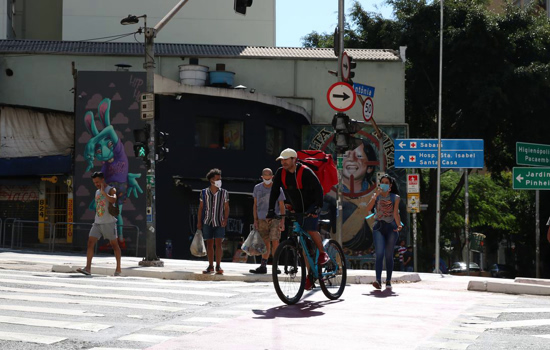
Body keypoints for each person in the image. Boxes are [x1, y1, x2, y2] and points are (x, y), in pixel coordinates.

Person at [267, 148, 330, 291]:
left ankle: (322, 252)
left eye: (286, 159)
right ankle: (310, 276)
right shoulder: (280, 173)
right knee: (302, 246)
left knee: (310, 229)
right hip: (297, 208)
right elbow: (275, 192)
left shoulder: (305, 171)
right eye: (281, 160)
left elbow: (319, 189)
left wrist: (317, 208)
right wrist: (271, 210)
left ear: (294, 160)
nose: (283, 162)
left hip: (312, 205)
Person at [77, 171, 121, 276]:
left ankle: (118, 269)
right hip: (97, 222)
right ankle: (87, 269)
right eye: (94, 182)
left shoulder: (110, 189)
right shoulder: (96, 192)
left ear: (102, 179)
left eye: (97, 182)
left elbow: (113, 199)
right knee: (90, 243)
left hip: (109, 223)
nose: (96, 184)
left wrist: (103, 192)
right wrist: (100, 191)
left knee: (114, 245)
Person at [366, 174, 402, 290]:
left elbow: (396, 213)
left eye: (387, 183)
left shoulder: (395, 197)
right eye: (382, 182)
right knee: (380, 253)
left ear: (390, 185)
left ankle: (388, 280)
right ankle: (377, 280)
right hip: (379, 227)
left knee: (389, 255)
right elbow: (368, 208)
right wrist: (375, 195)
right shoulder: (376, 196)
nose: (384, 184)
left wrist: (399, 225)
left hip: (391, 227)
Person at [250, 168, 286, 274]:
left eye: (268, 176)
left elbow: (281, 205)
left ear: (272, 176)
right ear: (262, 177)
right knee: (265, 243)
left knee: (275, 241)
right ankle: (263, 265)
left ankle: (276, 265)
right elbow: (255, 205)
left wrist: (282, 221)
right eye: (265, 176)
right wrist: (255, 220)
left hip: (275, 218)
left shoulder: (277, 188)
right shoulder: (257, 188)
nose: (267, 178)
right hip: (261, 218)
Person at [197, 168, 229, 275]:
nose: (219, 181)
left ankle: (218, 265)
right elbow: (201, 208)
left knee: (219, 243)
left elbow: (226, 207)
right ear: (211, 180)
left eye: (220, 179)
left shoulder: (224, 193)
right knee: (209, 243)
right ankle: (210, 265)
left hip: (219, 221)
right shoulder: (204, 192)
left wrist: (225, 219)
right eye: (217, 179)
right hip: (207, 221)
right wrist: (199, 222)